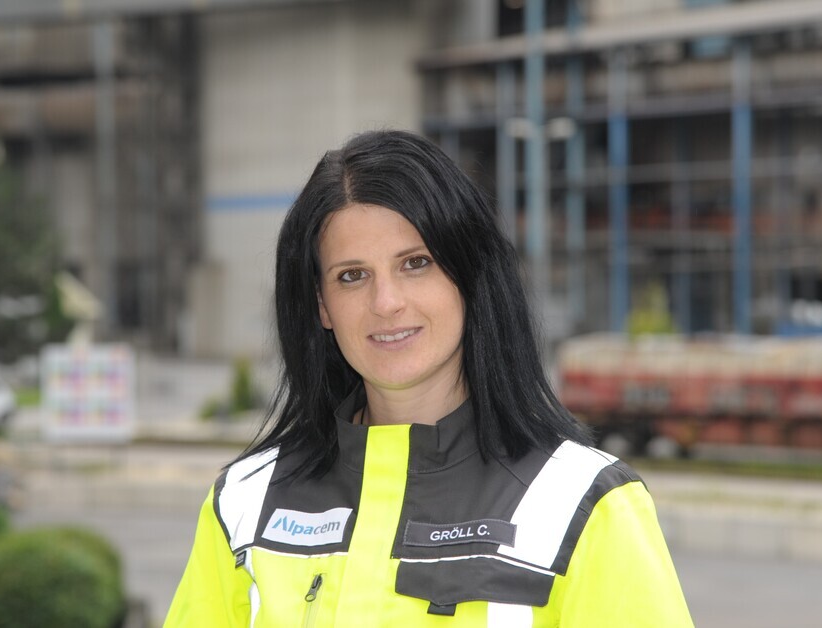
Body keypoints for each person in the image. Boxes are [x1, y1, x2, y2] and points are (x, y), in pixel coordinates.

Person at [165, 130, 692, 627]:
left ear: (468, 276)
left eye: (416, 263)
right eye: (352, 275)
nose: (386, 303)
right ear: (323, 306)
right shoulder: (244, 506)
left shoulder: (585, 505)